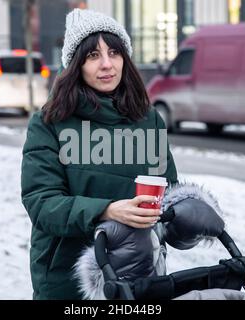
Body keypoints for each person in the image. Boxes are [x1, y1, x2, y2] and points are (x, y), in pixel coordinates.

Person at [21, 8, 178, 300]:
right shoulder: (49, 123)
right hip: (67, 278)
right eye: (93, 56)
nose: (107, 64)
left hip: (140, 275)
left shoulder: (148, 119)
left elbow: (167, 191)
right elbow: (41, 203)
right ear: (75, 65)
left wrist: (186, 211)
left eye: (114, 53)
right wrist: (106, 211)